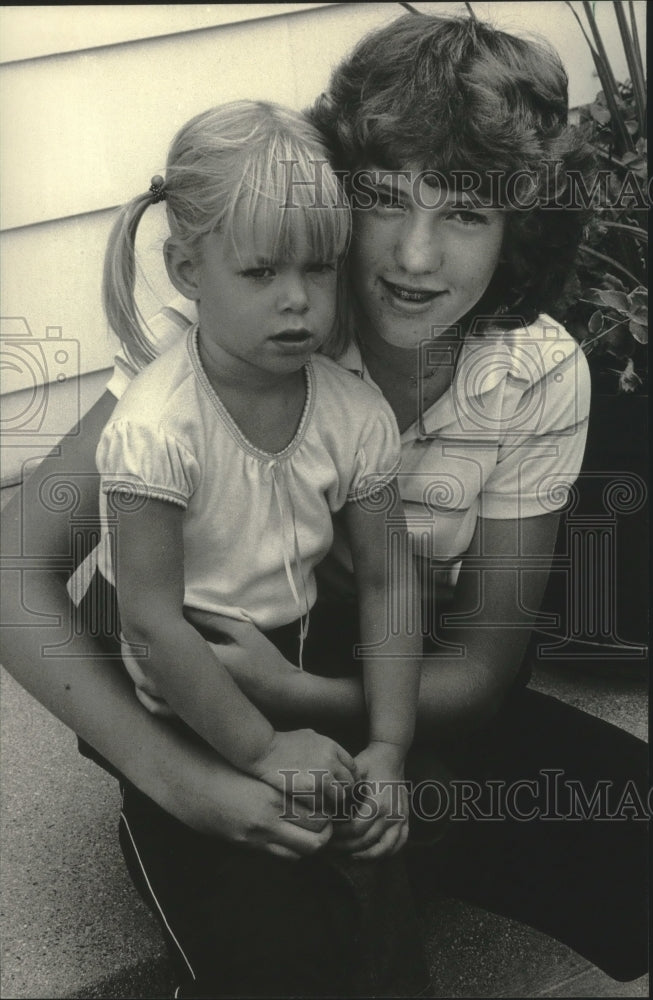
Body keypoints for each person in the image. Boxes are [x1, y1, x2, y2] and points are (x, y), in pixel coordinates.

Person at [1, 11, 647, 998]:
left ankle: (367, 844)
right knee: (288, 944)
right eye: (383, 200)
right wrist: (190, 781)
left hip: (379, 676)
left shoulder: (534, 374)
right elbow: (16, 568)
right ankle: (184, 841)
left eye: (465, 213)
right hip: (203, 669)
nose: (414, 256)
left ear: (517, 225)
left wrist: (326, 714)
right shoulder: (249, 323)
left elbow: (480, 673)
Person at [73, 99, 421, 853]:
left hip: (279, 637)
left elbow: (389, 583)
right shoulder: (156, 428)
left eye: (318, 268)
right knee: (247, 862)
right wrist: (262, 749)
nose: (297, 298)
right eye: (261, 271)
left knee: (355, 830)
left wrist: (390, 745)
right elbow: (151, 623)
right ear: (186, 270)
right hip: (163, 657)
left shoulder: (354, 415)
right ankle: (165, 852)